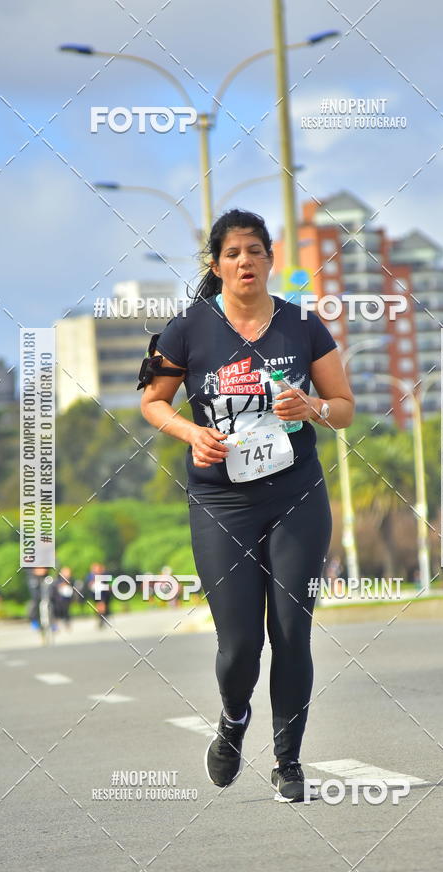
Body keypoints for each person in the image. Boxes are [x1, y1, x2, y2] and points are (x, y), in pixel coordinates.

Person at [139, 209, 354, 802]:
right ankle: (234, 720)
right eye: (232, 253)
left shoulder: (302, 326)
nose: (244, 262)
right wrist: (191, 434)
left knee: (292, 631)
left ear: (269, 259)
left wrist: (313, 409)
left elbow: (344, 406)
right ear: (217, 264)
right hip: (220, 503)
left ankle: (289, 761)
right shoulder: (188, 328)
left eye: (255, 251)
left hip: (296, 496)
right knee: (238, 644)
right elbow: (153, 403)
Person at [52, 565, 74, 630]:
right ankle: (55, 624)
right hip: (57, 599)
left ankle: (67, 622)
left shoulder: (71, 580)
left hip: (67, 599)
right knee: (56, 611)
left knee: (66, 610)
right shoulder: (58, 579)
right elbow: (55, 587)